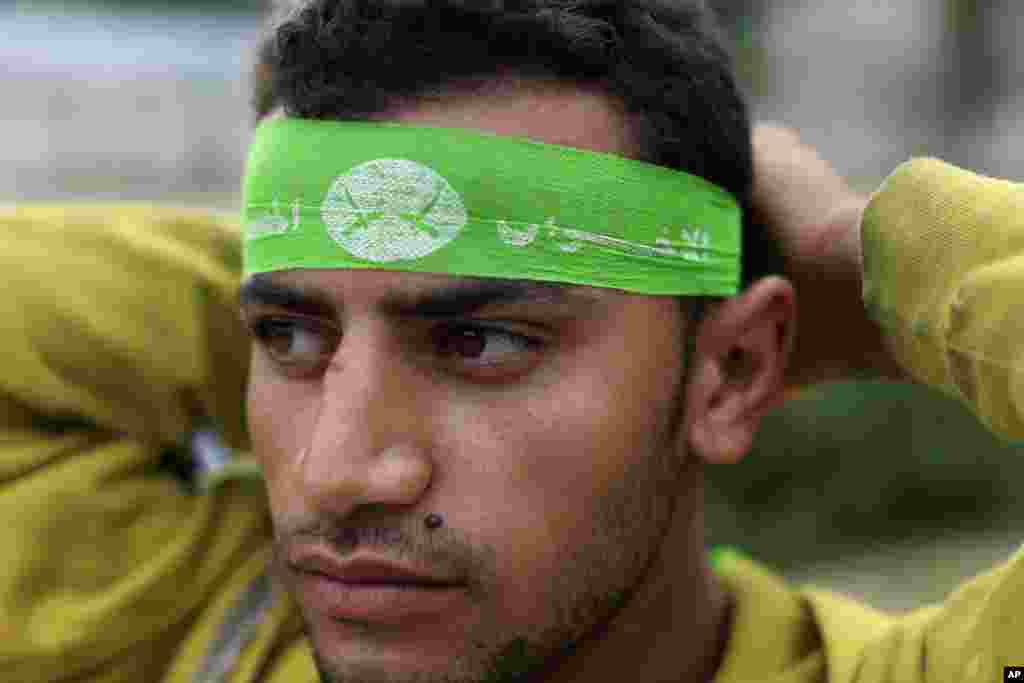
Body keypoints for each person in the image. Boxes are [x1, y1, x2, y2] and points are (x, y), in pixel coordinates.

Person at [1, 3, 1022, 683]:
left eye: (481, 341)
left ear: (732, 368)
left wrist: (862, 252)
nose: (336, 469)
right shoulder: (181, 622)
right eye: (287, 333)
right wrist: (369, 233)